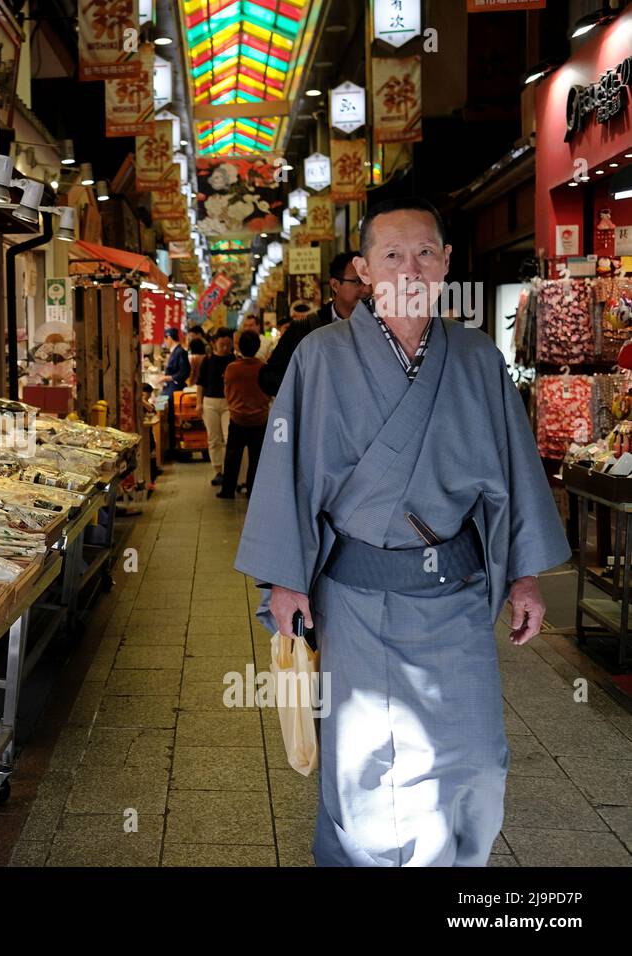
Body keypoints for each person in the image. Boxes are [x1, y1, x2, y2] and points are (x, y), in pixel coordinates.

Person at [234, 196, 569, 868]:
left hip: (455, 596)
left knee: (475, 761)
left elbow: (514, 470)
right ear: (364, 268)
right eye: (391, 254)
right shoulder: (320, 358)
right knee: (366, 771)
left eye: (424, 253)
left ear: (446, 264)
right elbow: (287, 470)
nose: (409, 267)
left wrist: (527, 577)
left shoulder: (477, 360)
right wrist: (282, 580)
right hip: (355, 600)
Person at [259, 251, 371, 397]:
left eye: (370, 281)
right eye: (358, 282)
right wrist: (311, 386)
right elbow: (268, 378)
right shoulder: (305, 329)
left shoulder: (386, 326)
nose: (368, 289)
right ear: (335, 285)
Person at [217, 331, 269, 499]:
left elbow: (227, 391)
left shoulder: (232, 368)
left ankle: (228, 490)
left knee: (232, 456)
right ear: (258, 347)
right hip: (260, 419)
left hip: (237, 418)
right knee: (256, 458)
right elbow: (268, 392)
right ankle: (252, 490)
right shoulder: (263, 367)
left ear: (239, 347)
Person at [194, 328, 235, 486]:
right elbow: (200, 383)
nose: (225, 347)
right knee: (213, 438)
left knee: (229, 437)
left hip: (229, 403)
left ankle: (231, 471)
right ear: (214, 343)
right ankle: (218, 471)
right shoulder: (208, 360)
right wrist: (198, 402)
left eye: (228, 344)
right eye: (222, 344)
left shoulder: (234, 359)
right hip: (209, 402)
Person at [161, 327, 189, 398]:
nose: (165, 342)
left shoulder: (180, 351)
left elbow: (185, 372)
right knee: (158, 405)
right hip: (168, 386)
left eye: (165, 339)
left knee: (159, 405)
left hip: (174, 388)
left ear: (169, 338)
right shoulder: (175, 351)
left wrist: (168, 378)